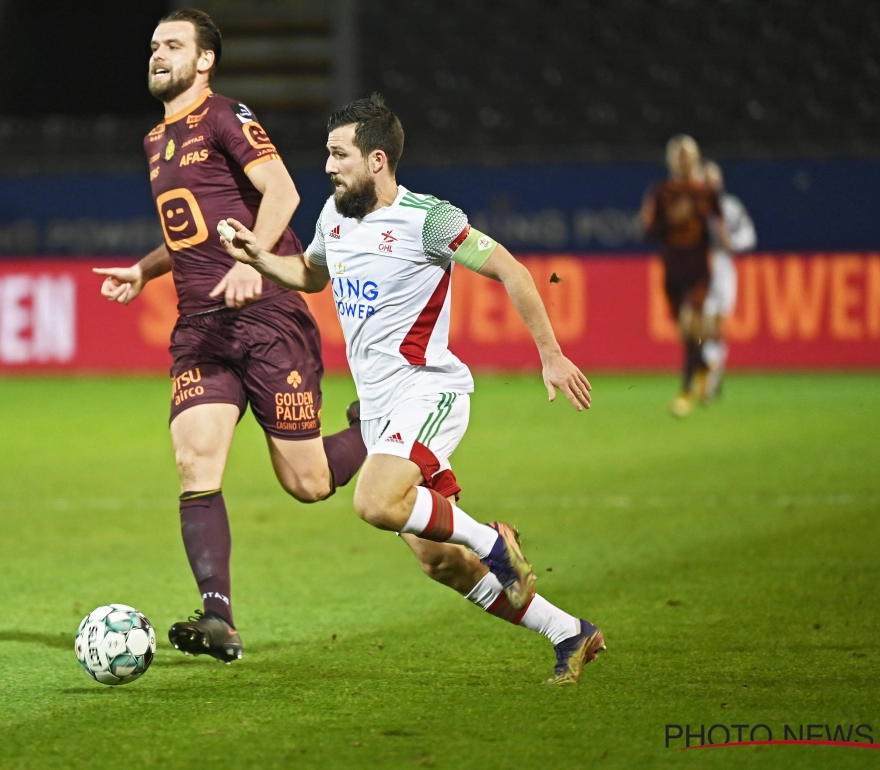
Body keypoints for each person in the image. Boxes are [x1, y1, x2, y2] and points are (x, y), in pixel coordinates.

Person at [219, 94, 605, 685]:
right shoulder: (333, 215)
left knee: (373, 501)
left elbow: (512, 270)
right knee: (439, 561)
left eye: (338, 153)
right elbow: (312, 277)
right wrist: (259, 256)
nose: (326, 165)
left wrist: (550, 356)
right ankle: (568, 632)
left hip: (428, 393)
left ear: (377, 159)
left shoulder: (429, 219)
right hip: (377, 411)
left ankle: (494, 540)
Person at [91, 9, 367, 664]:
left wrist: (252, 260)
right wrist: (144, 268)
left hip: (268, 313)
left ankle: (385, 423)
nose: (158, 53)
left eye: (174, 45)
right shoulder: (155, 141)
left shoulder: (225, 116)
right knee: (194, 458)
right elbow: (189, 228)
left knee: (306, 482)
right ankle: (220, 620)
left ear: (205, 59)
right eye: (154, 44)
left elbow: (283, 191)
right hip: (200, 326)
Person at [640, 135, 723, 417]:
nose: (683, 160)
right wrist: (672, 219)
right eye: (679, 155)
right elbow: (647, 231)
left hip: (699, 270)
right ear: (671, 160)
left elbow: (719, 224)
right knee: (686, 332)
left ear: (696, 159)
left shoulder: (706, 192)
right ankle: (704, 367)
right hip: (673, 270)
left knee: (691, 325)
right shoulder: (660, 193)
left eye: (688, 155)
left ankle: (685, 393)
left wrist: (724, 245)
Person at [700, 161, 756, 401]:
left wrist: (730, 243)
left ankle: (713, 372)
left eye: (714, 181)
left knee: (716, 323)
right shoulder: (694, 208)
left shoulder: (730, 207)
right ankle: (709, 371)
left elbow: (749, 236)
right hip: (699, 267)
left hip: (722, 267)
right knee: (702, 323)